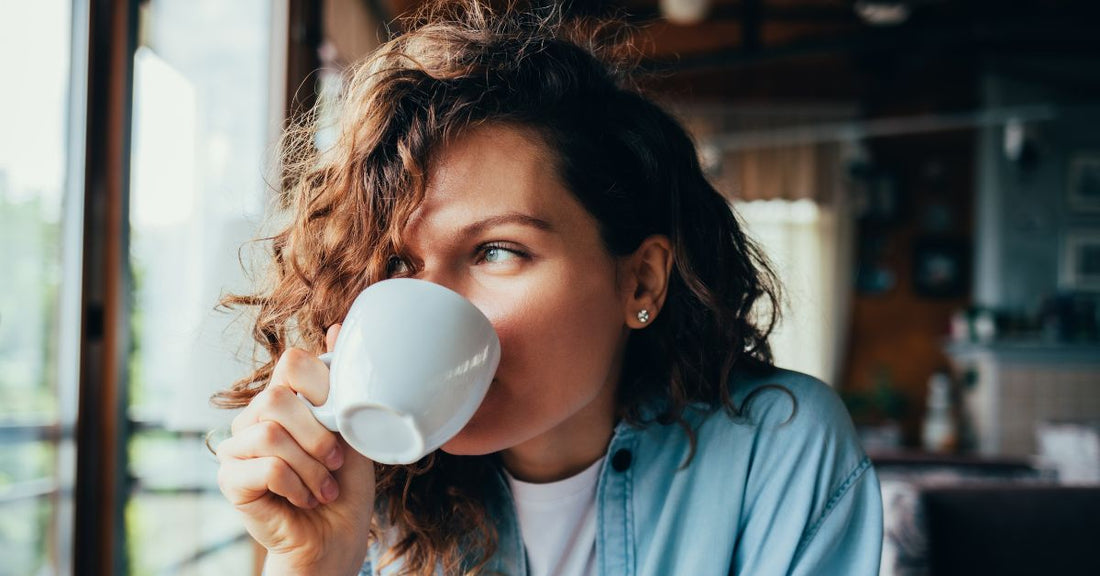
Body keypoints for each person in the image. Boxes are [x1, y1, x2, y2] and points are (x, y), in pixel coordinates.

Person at [213, 1, 883, 575]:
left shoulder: (776, 448)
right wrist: (312, 563)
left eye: (497, 250)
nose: (433, 302)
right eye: (396, 262)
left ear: (640, 280)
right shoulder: (367, 485)